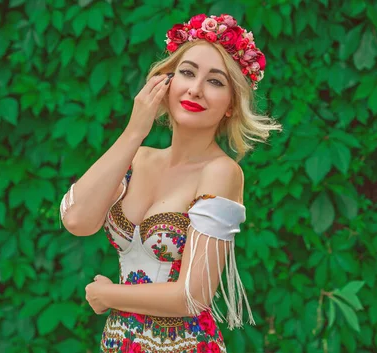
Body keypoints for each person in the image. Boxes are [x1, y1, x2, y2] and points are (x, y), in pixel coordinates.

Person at [59, 13, 280, 353]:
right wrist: (134, 131)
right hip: (118, 343)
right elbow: (76, 219)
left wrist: (107, 295)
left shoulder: (221, 173)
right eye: (187, 72)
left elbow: (192, 296)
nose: (195, 88)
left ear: (230, 107)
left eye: (215, 82)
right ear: (166, 81)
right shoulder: (139, 157)